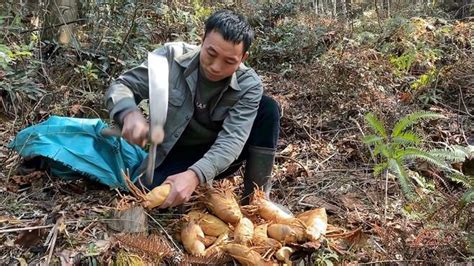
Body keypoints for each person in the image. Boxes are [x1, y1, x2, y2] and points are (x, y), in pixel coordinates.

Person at [104, 9, 280, 208]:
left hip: (219, 153)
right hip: (173, 150)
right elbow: (122, 85)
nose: (216, 67)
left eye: (229, 61)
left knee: (268, 108)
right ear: (202, 39)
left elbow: (233, 140)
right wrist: (129, 113)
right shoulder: (170, 58)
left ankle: (256, 201)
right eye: (211, 54)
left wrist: (195, 175)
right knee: (152, 195)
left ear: (243, 58)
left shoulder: (249, 85)